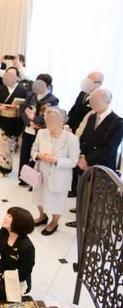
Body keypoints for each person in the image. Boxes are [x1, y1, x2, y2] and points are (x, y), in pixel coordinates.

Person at [67, 89, 123, 228]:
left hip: (102, 166)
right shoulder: (92, 117)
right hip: (85, 163)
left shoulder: (117, 122)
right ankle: (82, 221)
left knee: (98, 198)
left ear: (107, 102)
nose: (92, 103)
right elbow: (83, 139)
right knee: (84, 193)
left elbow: (109, 148)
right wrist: (81, 157)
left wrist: (88, 160)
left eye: (96, 100)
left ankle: (95, 227)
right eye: (91, 101)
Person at [30, 108, 80, 235]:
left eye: (54, 119)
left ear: (62, 121)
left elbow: (73, 161)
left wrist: (55, 160)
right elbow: (33, 151)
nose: (50, 122)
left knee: (57, 202)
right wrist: (39, 156)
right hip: (41, 173)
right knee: (39, 198)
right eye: (48, 119)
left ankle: (54, 222)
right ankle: (42, 216)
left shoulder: (72, 139)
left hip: (59, 176)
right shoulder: (41, 133)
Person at [66, 71, 104, 197]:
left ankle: (76, 189)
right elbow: (73, 110)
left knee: (79, 160)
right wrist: (68, 124)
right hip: (72, 129)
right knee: (72, 157)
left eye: (90, 80)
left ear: (99, 83)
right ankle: (71, 185)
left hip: (84, 133)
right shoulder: (83, 93)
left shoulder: (99, 98)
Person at [18, 74, 59, 185]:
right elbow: (23, 109)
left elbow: (50, 118)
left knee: (36, 156)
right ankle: (23, 178)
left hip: (40, 132)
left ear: (48, 86)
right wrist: (30, 122)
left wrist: (34, 119)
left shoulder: (52, 100)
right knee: (24, 154)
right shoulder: (32, 94)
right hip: (28, 129)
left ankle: (33, 180)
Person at [0, 68, 28, 174]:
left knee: (9, 147)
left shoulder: (23, 91)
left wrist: (19, 107)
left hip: (14, 122)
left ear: (17, 77)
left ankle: (6, 168)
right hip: (0, 121)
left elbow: (26, 106)